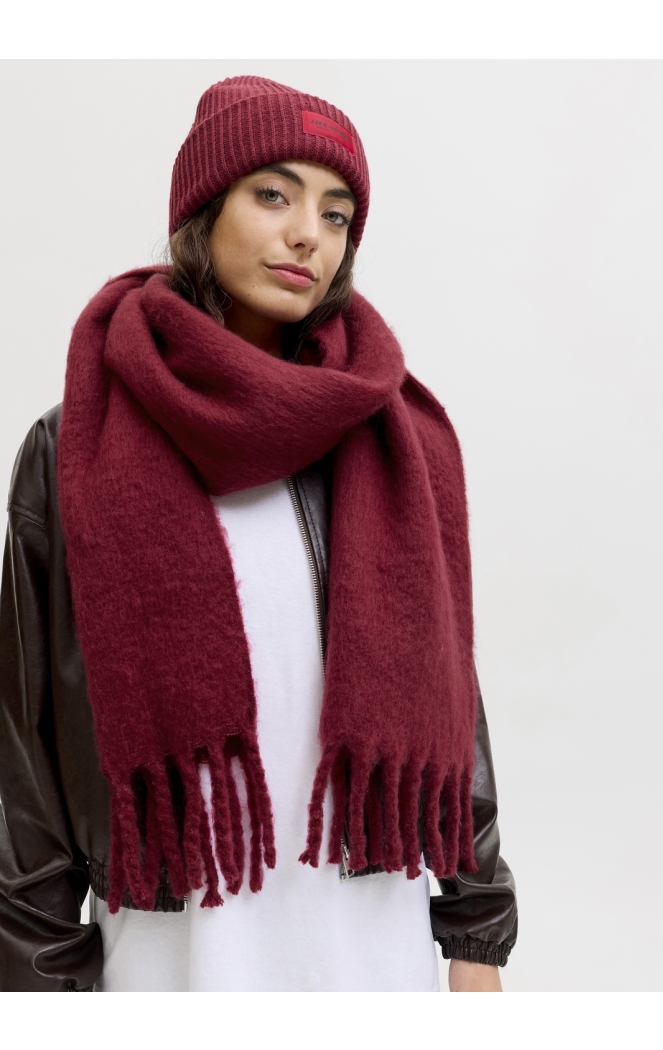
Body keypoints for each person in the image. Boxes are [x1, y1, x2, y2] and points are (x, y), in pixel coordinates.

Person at [0, 76, 517, 992]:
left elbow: (449, 703)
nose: (308, 233)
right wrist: (38, 978)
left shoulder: (394, 438)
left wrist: (476, 934)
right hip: (175, 951)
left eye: (337, 213)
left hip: (374, 938)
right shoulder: (77, 443)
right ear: (204, 209)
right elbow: (23, 743)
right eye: (273, 195)